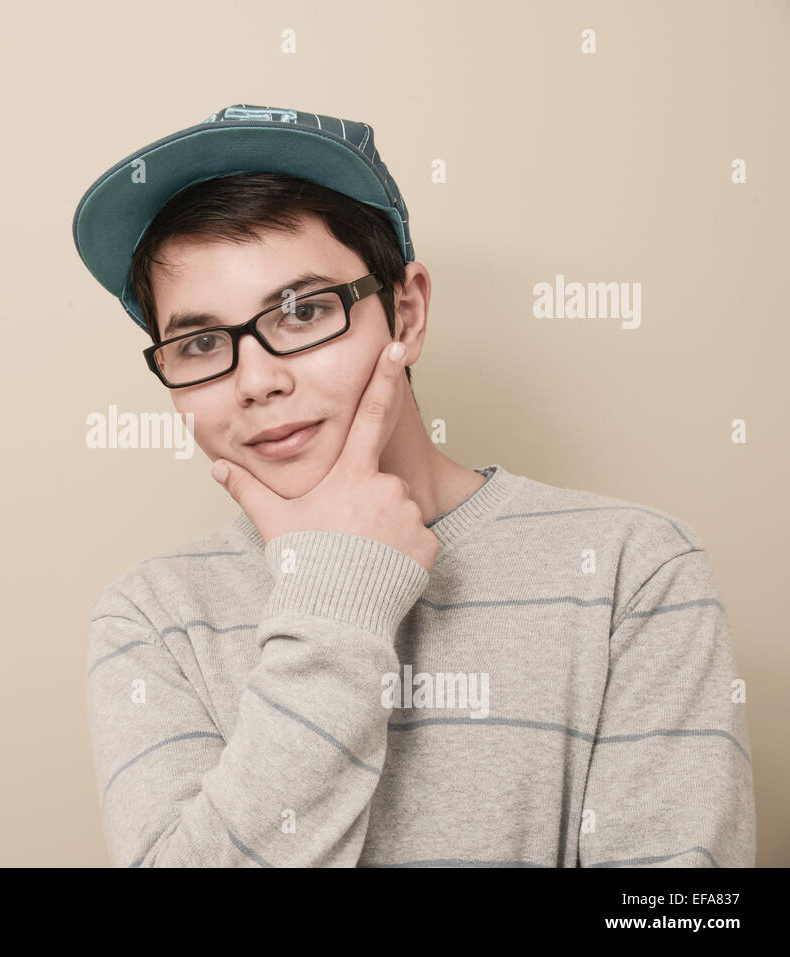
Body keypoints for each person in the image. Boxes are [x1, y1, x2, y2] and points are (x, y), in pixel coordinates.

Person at [71, 104, 755, 867]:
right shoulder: (152, 616)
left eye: (301, 311)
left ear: (406, 310)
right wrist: (335, 598)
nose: (257, 380)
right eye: (200, 343)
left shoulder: (634, 568)